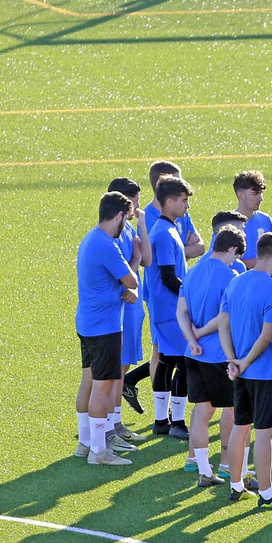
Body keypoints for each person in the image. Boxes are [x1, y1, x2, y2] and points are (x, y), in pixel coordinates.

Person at [219, 233, 272, 507]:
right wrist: (246, 362)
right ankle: (266, 493)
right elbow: (266, 336)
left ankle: (236, 485)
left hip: (239, 372)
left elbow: (223, 326)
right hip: (264, 372)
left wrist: (233, 361)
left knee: (241, 426)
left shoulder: (235, 283)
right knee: (265, 433)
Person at [75, 191, 141, 467]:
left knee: (89, 383)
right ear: (119, 216)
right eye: (124, 220)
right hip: (105, 327)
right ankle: (99, 451)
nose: (124, 226)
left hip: (88, 322)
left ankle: (85, 443)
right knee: (104, 388)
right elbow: (132, 279)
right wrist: (136, 260)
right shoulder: (107, 245)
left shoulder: (90, 238)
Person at [177, 224, 245, 489]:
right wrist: (202, 334)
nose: (236, 260)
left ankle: (203, 469)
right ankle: (229, 465)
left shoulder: (192, 273)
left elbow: (181, 312)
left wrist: (192, 340)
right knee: (233, 409)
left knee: (202, 410)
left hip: (192, 355)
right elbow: (224, 318)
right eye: (236, 255)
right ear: (230, 249)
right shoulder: (230, 278)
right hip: (217, 355)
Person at [146, 176, 194, 440]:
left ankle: (160, 421)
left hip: (164, 309)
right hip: (170, 309)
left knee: (166, 361)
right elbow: (167, 276)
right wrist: (190, 295)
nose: (187, 206)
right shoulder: (164, 234)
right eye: (184, 201)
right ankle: (177, 423)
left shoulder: (168, 228)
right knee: (186, 362)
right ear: (169, 201)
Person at [107, 177, 150, 442]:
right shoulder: (113, 234)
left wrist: (143, 225)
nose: (138, 206)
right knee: (114, 372)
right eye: (134, 201)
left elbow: (146, 258)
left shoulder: (129, 230)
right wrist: (134, 261)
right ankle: (110, 427)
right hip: (121, 309)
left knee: (121, 370)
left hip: (132, 309)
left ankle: (115, 423)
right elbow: (125, 272)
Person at [233, 170, 272, 270]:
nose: (260, 198)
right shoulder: (227, 223)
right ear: (241, 196)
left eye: (261, 193)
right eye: (255, 194)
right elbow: (218, 260)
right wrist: (251, 263)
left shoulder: (265, 220)